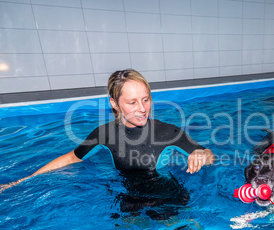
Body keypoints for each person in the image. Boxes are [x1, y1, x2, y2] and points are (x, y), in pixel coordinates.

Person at [0, 69, 215, 194]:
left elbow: (210, 156)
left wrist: (200, 154)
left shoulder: (167, 132)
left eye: (146, 100)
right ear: (114, 103)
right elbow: (70, 158)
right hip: (129, 197)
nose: (142, 109)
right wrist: (22, 181)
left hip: (168, 195)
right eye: (132, 102)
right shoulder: (104, 134)